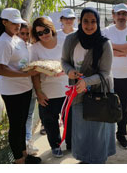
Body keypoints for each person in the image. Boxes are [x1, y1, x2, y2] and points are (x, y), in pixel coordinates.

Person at [61, 7, 116, 164]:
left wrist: (86, 81)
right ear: (80, 22)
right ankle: (85, 159)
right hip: (78, 92)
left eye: (93, 21)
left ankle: (98, 160)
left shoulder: (104, 44)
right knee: (82, 127)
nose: (89, 25)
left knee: (98, 129)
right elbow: (64, 61)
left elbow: (105, 73)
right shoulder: (71, 40)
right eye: (86, 21)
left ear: (98, 23)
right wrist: (70, 71)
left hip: (100, 92)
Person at [0, 8, 41, 164]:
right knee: (16, 125)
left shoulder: (17, 39)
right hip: (12, 92)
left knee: (22, 122)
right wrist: (26, 74)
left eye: (19, 23)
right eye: (14, 23)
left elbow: (21, 62)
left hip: (24, 88)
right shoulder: (2, 43)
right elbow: (1, 69)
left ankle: (24, 154)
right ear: (4, 22)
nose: (18, 26)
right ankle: (19, 160)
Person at [29, 17, 72, 158]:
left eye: (45, 31)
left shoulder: (64, 41)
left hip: (66, 89)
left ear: (51, 28)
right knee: (49, 121)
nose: (43, 35)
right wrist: (39, 92)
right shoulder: (35, 49)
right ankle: (55, 145)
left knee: (70, 119)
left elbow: (72, 62)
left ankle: (71, 143)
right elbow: (34, 73)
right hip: (47, 92)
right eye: (39, 33)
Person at [102, 3, 127, 149]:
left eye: (124, 14)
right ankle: (108, 134)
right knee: (108, 106)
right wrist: (124, 50)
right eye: (118, 14)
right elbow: (104, 49)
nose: (121, 17)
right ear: (113, 16)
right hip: (110, 76)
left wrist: (114, 47)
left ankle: (121, 135)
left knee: (124, 107)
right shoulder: (106, 31)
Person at [17, 23, 39, 156]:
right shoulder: (13, 48)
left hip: (31, 87)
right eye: (22, 34)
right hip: (17, 89)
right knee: (19, 118)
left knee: (29, 116)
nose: (25, 37)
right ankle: (21, 145)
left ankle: (28, 142)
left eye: (27, 34)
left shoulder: (32, 48)